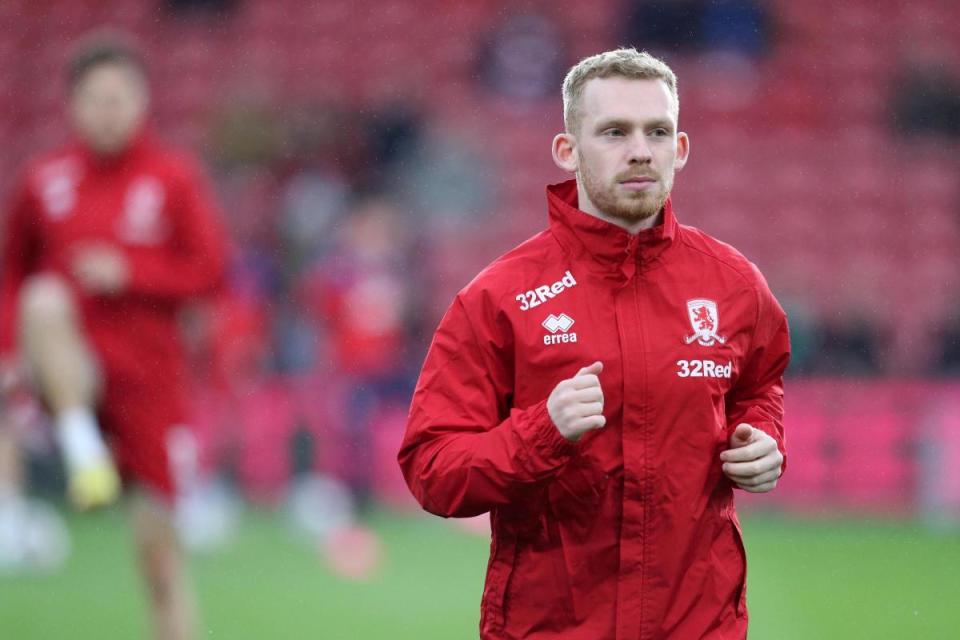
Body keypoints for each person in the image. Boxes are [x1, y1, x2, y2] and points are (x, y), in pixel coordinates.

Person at [399, 48, 789, 639]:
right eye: (613, 132)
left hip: (699, 624)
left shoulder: (735, 285)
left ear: (679, 150)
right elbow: (432, 470)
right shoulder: (498, 297)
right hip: (550, 626)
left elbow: (760, 386)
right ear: (568, 150)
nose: (640, 149)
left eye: (658, 131)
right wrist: (541, 431)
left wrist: (763, 439)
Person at [0, 32, 228, 639]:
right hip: (76, 370)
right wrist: (7, 350)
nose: (109, 110)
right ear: (71, 105)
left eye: (120, 97)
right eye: (96, 98)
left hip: (150, 384)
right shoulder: (43, 179)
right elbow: (12, 270)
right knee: (44, 298)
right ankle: (80, 453)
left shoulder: (172, 178)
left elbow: (211, 271)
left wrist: (131, 271)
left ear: (144, 101)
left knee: (159, 562)